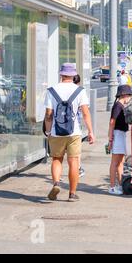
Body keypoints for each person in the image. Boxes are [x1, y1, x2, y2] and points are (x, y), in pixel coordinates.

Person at [44, 63, 95, 202]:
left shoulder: (51, 90)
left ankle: (56, 183)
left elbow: (49, 114)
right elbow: (85, 113)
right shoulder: (80, 91)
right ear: (73, 75)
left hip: (56, 132)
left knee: (56, 159)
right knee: (73, 162)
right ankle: (72, 194)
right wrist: (90, 131)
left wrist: (48, 131)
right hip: (74, 132)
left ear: (61, 74)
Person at [108, 85, 132, 195]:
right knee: (115, 162)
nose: (130, 97)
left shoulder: (120, 105)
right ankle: (112, 186)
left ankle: (119, 184)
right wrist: (110, 139)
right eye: (129, 95)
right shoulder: (118, 106)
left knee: (120, 162)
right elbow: (112, 122)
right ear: (124, 95)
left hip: (120, 134)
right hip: (117, 134)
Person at [73, 74, 86, 178]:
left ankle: (56, 178)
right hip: (75, 126)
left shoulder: (61, 89)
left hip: (59, 127)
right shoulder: (79, 91)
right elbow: (85, 111)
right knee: (76, 151)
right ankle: (78, 168)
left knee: (57, 157)